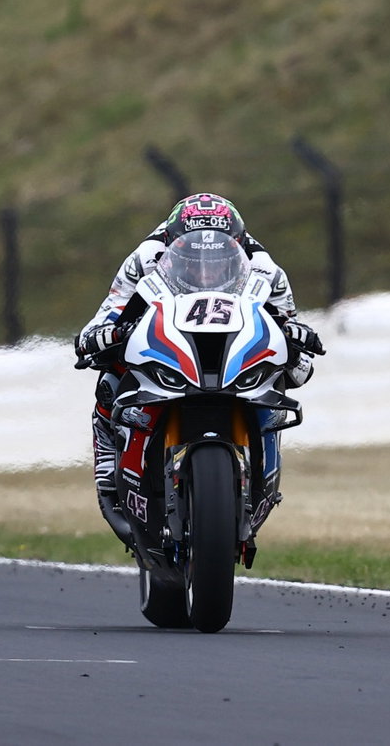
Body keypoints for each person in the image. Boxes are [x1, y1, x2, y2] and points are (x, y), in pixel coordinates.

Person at [72, 193, 325, 533]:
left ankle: (262, 471)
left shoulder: (266, 269)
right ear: (170, 247)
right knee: (109, 377)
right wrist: (103, 336)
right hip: (168, 338)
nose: (206, 272)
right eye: (192, 260)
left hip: (233, 346)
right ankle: (107, 463)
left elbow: (294, 346)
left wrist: (295, 339)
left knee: (286, 374)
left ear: (240, 247)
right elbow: (103, 318)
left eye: (220, 260)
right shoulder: (144, 259)